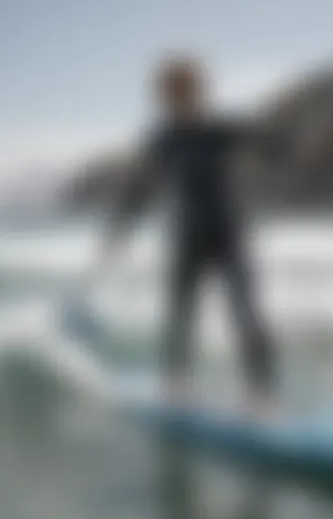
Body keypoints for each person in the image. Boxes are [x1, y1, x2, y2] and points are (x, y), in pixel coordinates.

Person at [98, 53, 278, 414]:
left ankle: (263, 392)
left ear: (200, 90)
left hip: (227, 234)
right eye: (172, 92)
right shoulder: (162, 140)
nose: (180, 98)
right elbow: (140, 188)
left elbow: (273, 144)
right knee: (180, 314)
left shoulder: (222, 130)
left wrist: (268, 148)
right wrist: (120, 228)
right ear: (163, 97)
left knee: (245, 312)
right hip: (187, 238)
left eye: (187, 89)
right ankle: (176, 384)